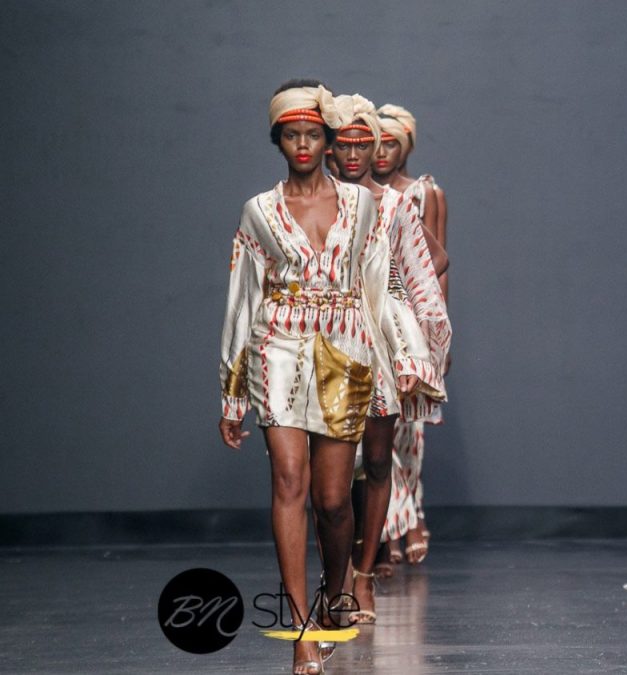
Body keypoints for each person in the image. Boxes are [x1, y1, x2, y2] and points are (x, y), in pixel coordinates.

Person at [218, 80, 443, 675]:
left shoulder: (362, 206)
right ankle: (301, 629)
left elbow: (379, 289)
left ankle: (335, 589)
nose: (302, 145)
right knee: (288, 480)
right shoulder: (258, 212)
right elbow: (242, 300)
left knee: (334, 501)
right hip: (277, 349)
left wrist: (407, 356)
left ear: (326, 140)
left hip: (347, 351)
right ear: (277, 141)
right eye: (291, 135)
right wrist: (231, 393)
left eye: (312, 135)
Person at [326, 95, 450, 622]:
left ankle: (362, 576)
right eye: (346, 144)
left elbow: (433, 260)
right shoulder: (318, 201)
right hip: (326, 341)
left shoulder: (397, 203)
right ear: (331, 150)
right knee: (329, 477)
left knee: (378, 460)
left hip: (381, 342)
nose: (356, 154)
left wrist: (424, 339)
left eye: (365, 144)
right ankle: (338, 575)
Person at [372, 104, 450, 566]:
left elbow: (438, 262)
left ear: (407, 146)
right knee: (377, 429)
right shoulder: (357, 194)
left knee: (408, 430)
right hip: (371, 318)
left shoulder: (425, 193)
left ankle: (408, 515)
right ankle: (390, 530)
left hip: (412, 319)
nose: (382, 152)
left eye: (392, 143)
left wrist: (437, 331)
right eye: (376, 142)